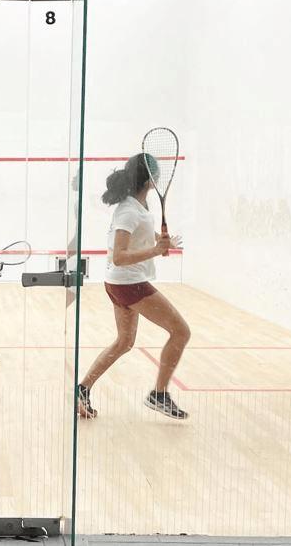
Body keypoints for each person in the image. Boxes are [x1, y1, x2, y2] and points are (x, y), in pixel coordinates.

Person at [77, 154, 190, 419]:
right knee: (181, 332)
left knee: (124, 342)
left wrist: (162, 242)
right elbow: (119, 255)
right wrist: (155, 250)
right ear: (150, 179)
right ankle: (159, 395)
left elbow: (141, 232)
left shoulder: (137, 206)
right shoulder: (128, 210)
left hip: (119, 283)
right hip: (129, 284)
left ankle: (82, 389)